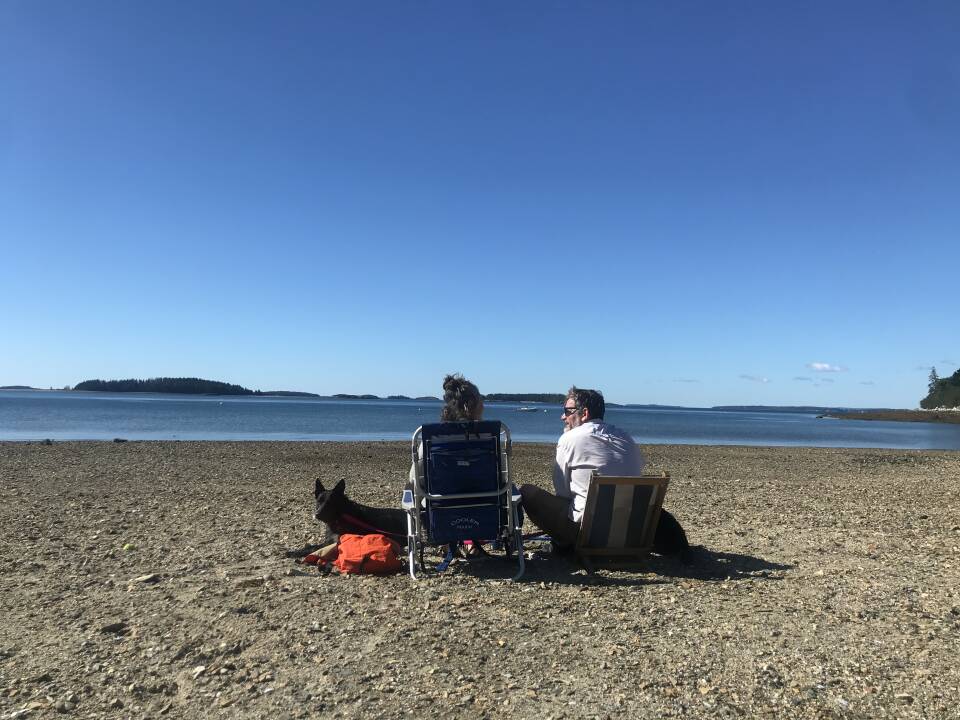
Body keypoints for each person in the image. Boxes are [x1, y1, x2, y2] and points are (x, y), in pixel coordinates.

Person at [519, 386, 644, 549]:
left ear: (584, 414)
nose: (562, 416)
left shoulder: (569, 439)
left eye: (567, 411)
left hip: (587, 533)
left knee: (527, 492)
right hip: (628, 530)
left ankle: (565, 543)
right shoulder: (626, 438)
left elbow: (563, 493)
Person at [408, 373, 483, 485]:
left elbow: (415, 479)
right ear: (473, 405)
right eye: (481, 400)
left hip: (439, 500)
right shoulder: (489, 436)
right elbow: (502, 477)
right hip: (488, 500)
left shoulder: (433, 437)